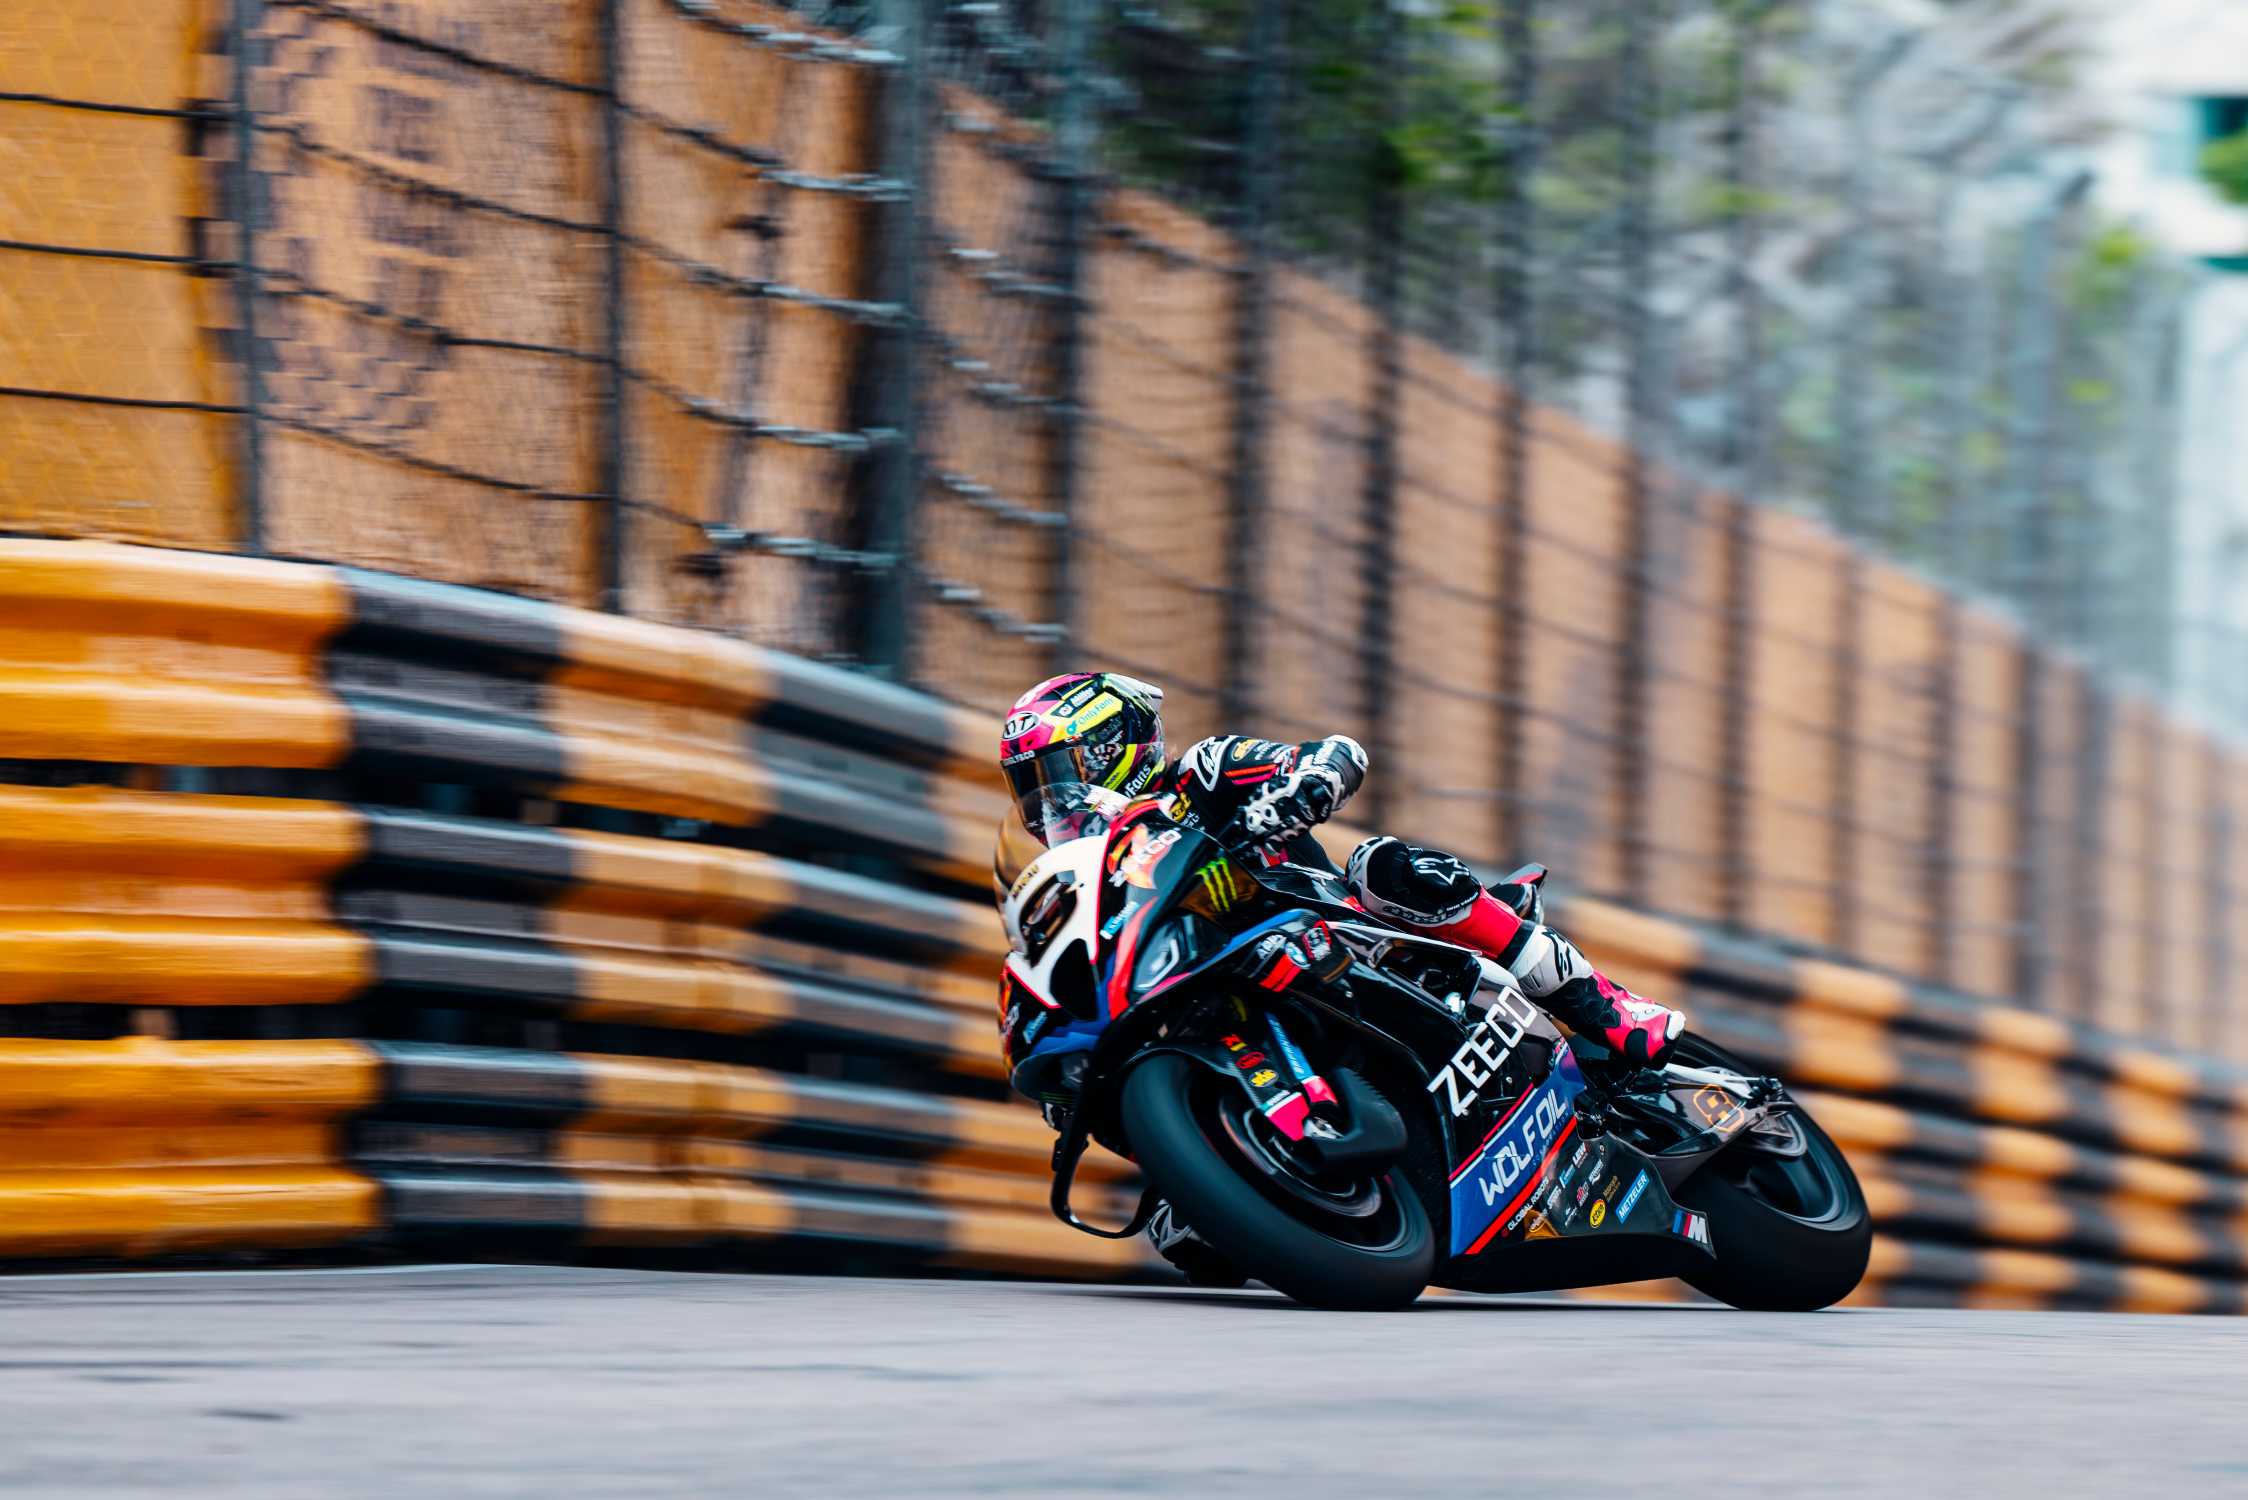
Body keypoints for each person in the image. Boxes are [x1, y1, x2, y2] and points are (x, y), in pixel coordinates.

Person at [995, 670, 1686, 1071]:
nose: (1047, 799)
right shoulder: (1083, 878)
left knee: (1385, 866)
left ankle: (1605, 1006)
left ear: (1114, 744)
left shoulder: (1202, 773)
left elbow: (1336, 753)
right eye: (1031, 785)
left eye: (1059, 772)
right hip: (1220, 990)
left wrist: (1301, 789)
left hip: (1344, 934)